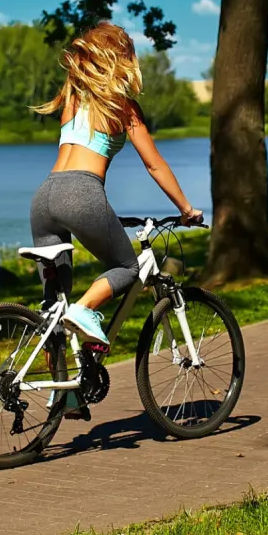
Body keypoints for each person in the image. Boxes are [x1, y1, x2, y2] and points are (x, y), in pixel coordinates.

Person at [30, 21, 203, 351]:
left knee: (54, 309)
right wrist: (185, 209)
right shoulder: (123, 107)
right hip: (80, 192)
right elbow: (155, 164)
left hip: (44, 197)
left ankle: (65, 399)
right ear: (121, 60)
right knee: (128, 267)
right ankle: (84, 310)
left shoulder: (72, 102)